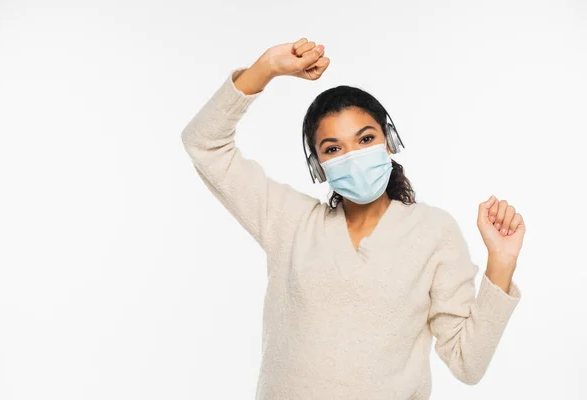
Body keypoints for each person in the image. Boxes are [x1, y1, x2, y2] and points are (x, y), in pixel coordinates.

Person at [181, 37, 525, 400]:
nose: (353, 156)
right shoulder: (290, 221)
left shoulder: (434, 233)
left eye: (365, 139)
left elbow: (466, 364)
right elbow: (203, 143)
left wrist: (501, 264)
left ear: (388, 141)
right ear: (318, 166)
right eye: (333, 148)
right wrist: (265, 68)